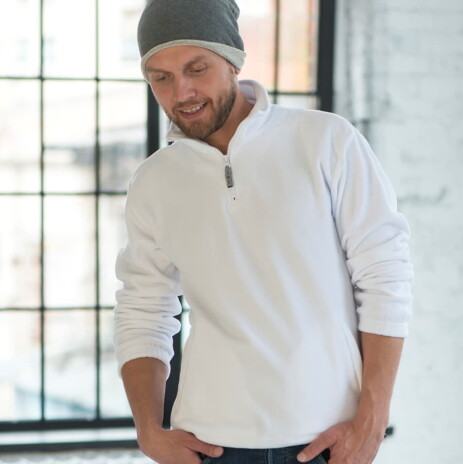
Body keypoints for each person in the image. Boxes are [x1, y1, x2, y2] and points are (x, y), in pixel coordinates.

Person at [114, 1, 413, 463]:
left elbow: (384, 276)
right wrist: (149, 430)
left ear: (233, 60)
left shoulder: (326, 141)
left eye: (197, 68)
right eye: (161, 77)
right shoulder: (154, 181)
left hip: (325, 441)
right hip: (209, 444)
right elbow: (143, 310)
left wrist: (372, 418)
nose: (182, 91)